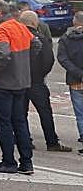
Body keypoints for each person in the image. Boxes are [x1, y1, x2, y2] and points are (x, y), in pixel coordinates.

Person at [0, 0, 40, 175]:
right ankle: (26, 162)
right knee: (20, 122)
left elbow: (3, 53)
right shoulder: (19, 26)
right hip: (21, 83)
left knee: (4, 124)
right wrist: (22, 64)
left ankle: (8, 161)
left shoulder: (1, 30)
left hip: (3, 84)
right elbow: (37, 44)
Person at [20, 10, 71, 151]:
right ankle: (52, 142)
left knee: (20, 113)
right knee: (45, 113)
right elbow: (49, 60)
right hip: (36, 81)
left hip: (19, 81)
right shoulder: (41, 38)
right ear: (34, 22)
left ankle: (24, 141)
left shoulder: (17, 37)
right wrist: (41, 74)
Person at [56, 11, 83, 154]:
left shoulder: (66, 38)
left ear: (75, 22)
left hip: (75, 80)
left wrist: (78, 73)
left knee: (80, 113)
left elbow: (63, 59)